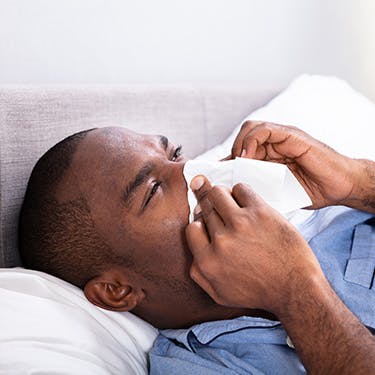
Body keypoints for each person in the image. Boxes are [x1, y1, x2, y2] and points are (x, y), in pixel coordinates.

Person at [18, 122, 375, 374]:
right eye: (154, 189)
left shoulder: (337, 217)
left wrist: (357, 182)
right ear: (116, 291)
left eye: (176, 155)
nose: (192, 172)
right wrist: (295, 291)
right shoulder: (198, 367)